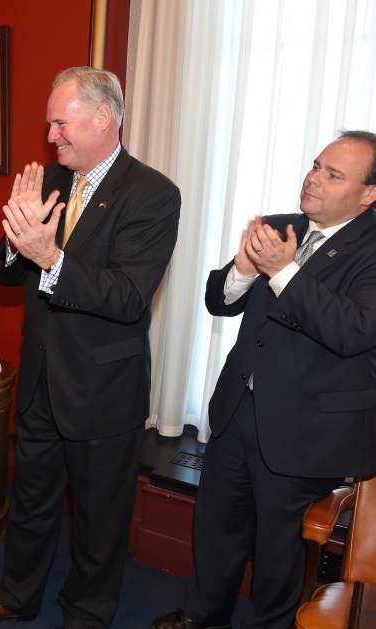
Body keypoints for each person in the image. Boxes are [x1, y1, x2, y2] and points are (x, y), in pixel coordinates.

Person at [0, 66, 181, 628]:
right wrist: (18, 240)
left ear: (103, 118)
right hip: (39, 384)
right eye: (50, 122)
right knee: (30, 503)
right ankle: (17, 595)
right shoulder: (52, 183)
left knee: (99, 520)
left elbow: (129, 297)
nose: (51, 135)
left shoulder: (152, 194)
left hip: (102, 391)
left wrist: (50, 258)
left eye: (61, 122)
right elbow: (4, 273)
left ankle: (87, 613)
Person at [151, 131, 376, 629]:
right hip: (238, 412)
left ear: (369, 195)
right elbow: (219, 299)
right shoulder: (281, 227)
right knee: (217, 531)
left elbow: (353, 330)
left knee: (278, 554)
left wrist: (283, 271)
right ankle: (201, 616)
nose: (313, 179)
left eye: (333, 175)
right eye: (315, 165)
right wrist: (245, 268)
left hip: (305, 431)